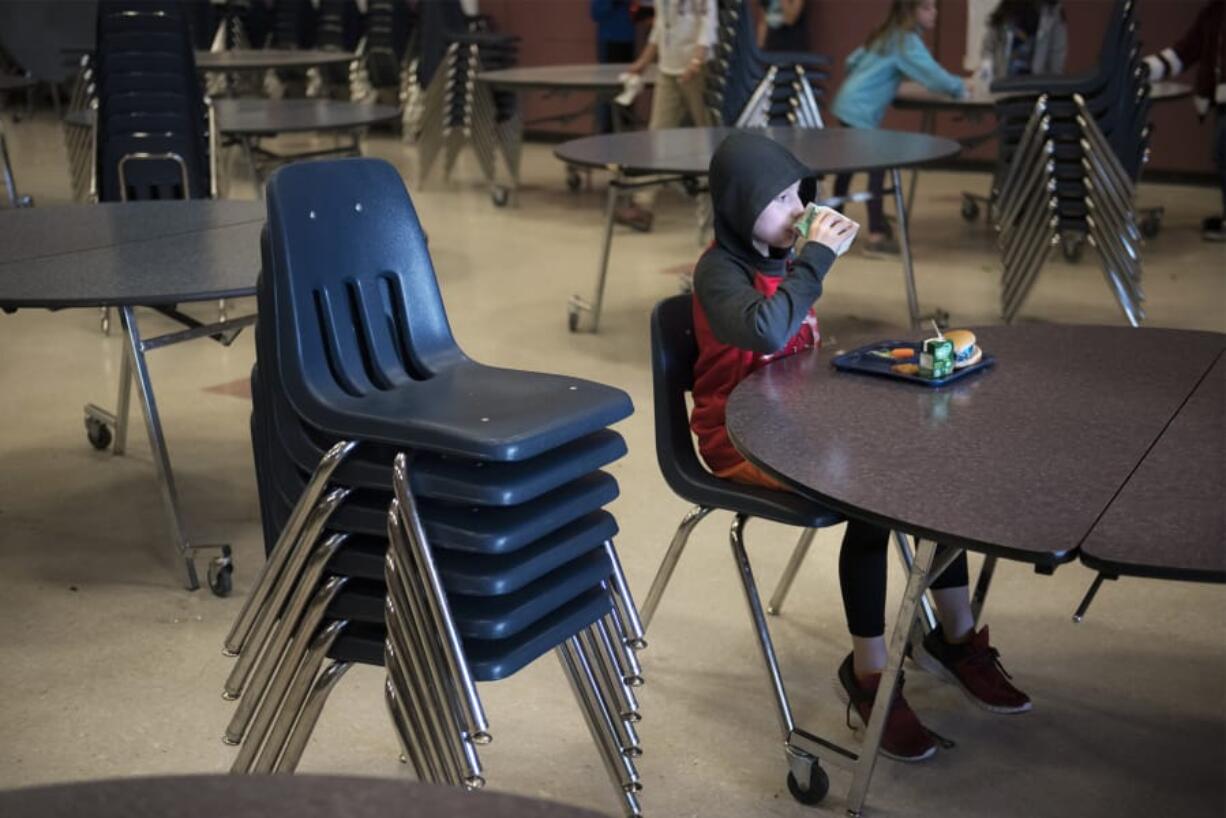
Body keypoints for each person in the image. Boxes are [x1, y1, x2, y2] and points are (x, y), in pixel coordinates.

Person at [692, 131, 1031, 762]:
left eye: (800, 193)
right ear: (739, 207)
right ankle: (870, 673)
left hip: (797, 422)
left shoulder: (786, 260)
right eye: (777, 199)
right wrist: (816, 261)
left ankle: (954, 636)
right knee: (874, 498)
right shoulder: (721, 271)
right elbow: (767, 326)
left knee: (933, 475)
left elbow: (799, 352)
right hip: (741, 438)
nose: (796, 208)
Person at [830, 0, 966, 255]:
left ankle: (831, 232)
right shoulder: (907, 42)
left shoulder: (886, 34)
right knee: (878, 167)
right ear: (909, 11)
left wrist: (878, 81)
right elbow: (934, 76)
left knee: (845, 169)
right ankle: (876, 236)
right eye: (927, 8)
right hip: (861, 111)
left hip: (846, 103)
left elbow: (851, 62)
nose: (934, 13)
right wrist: (961, 88)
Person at [614, 0, 718, 233]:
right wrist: (642, 62)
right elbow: (661, 26)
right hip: (668, 69)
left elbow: (708, 23)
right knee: (656, 135)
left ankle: (722, 208)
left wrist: (696, 60)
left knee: (710, 137)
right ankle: (642, 205)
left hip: (697, 68)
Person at [1143, 0, 1225, 242]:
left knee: (1222, 148)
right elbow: (1184, 52)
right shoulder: (1214, 13)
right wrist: (1144, 69)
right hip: (1222, 101)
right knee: (1221, 153)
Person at [978, 0, 1067, 81]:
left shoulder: (1053, 13)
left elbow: (1056, 60)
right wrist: (987, 69)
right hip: (1003, 84)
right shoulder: (1006, 8)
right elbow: (988, 48)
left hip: (1036, 88)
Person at [591, 0, 638, 133]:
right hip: (609, 39)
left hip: (628, 39)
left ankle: (626, 126)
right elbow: (595, 14)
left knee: (628, 86)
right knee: (609, 88)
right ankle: (607, 129)